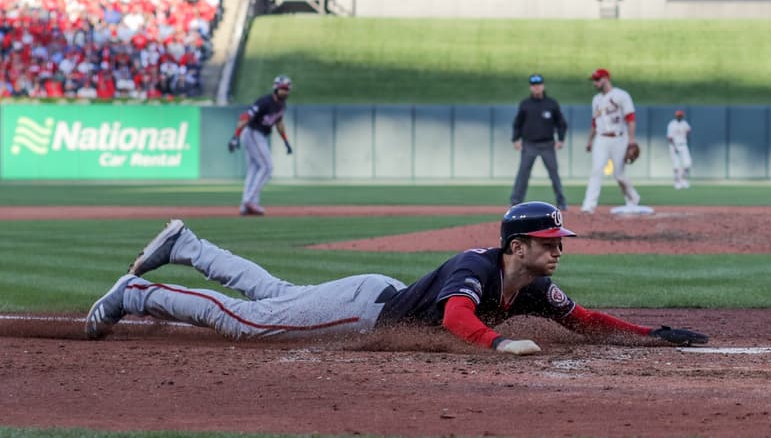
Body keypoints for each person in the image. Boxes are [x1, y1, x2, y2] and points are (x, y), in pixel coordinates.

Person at [84, 203, 709, 353]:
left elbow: (584, 320)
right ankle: (141, 292)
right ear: (517, 245)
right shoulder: (475, 268)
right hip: (364, 311)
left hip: (372, 289)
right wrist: (497, 343)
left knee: (274, 294)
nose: (558, 251)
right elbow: (454, 319)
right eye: (549, 242)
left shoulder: (534, 286)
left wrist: (650, 333)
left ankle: (186, 245)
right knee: (249, 320)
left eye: (558, 242)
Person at [227, 75, 294, 216]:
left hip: (260, 135)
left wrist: (286, 141)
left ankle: (246, 205)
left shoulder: (281, 105)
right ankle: (250, 201)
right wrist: (235, 136)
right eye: (282, 88)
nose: (285, 92)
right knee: (267, 167)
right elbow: (245, 116)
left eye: (287, 89)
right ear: (276, 88)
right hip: (252, 132)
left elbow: (279, 123)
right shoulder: (265, 102)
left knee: (254, 168)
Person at [583, 68, 640, 213]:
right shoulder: (596, 100)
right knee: (596, 171)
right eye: (594, 80)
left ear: (606, 79)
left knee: (619, 175)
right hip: (601, 139)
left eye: (597, 79)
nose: (595, 83)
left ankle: (633, 198)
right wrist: (590, 140)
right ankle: (588, 206)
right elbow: (594, 123)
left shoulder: (621, 95)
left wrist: (631, 140)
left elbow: (631, 119)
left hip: (620, 137)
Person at [510, 73, 568, 210]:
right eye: (534, 85)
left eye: (538, 85)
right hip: (529, 144)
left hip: (547, 144)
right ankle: (515, 201)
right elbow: (517, 123)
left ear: (543, 86)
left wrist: (560, 139)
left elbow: (561, 123)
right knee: (523, 174)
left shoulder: (551, 104)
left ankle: (561, 202)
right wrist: (515, 139)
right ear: (531, 87)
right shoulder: (525, 104)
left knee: (554, 174)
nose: (536, 88)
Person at [665, 109, 693, 189]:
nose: (679, 117)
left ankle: (683, 180)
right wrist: (674, 147)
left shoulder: (684, 123)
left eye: (681, 115)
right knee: (676, 165)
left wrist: (685, 136)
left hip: (683, 145)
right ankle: (677, 182)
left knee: (688, 164)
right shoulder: (672, 124)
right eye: (678, 115)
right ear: (676, 116)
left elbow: (689, 130)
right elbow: (670, 137)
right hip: (674, 145)